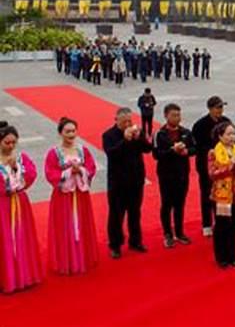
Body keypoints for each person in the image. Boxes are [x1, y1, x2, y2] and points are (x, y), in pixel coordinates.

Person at [45, 117, 98, 275]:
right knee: (64, 226)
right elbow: (50, 173)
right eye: (67, 131)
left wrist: (81, 170)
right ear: (60, 133)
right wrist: (68, 172)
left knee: (81, 224)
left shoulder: (83, 150)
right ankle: (65, 261)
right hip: (63, 196)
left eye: (73, 131)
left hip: (80, 195)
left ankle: (83, 257)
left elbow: (91, 167)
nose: (71, 134)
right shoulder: (54, 153)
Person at [102, 108, 151, 259]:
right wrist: (125, 140)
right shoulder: (108, 135)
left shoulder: (137, 131)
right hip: (117, 183)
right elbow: (112, 154)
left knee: (135, 213)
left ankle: (135, 241)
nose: (128, 124)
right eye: (124, 122)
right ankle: (115, 245)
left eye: (130, 121)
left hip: (136, 180)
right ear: (116, 120)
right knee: (116, 215)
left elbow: (147, 149)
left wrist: (140, 138)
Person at [0, 122, 43, 293]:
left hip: (20, 202)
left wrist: (16, 169)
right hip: (2, 204)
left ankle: (24, 275)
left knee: (21, 237)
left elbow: (31, 174)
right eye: (7, 143)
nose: (11, 146)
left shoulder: (20, 158)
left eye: (13, 142)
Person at [208, 122, 235, 268]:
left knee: (233, 226)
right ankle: (221, 257)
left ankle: (233, 256)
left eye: (233, 133)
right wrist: (228, 168)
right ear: (220, 136)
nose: (232, 137)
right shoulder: (213, 153)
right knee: (221, 226)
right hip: (221, 195)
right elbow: (212, 174)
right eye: (228, 134)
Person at [154, 103, 196, 248]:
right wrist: (172, 150)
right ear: (166, 116)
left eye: (178, 115)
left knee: (180, 204)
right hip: (166, 174)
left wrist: (187, 152)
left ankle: (179, 231)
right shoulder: (160, 134)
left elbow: (194, 148)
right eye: (173, 115)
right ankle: (167, 233)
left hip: (182, 173)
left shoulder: (186, 132)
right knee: (166, 204)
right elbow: (156, 154)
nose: (177, 118)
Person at [192, 96, 230, 237]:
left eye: (221, 107)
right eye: (217, 107)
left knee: (223, 194)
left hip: (224, 167)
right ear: (210, 108)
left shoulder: (225, 122)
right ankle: (207, 224)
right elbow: (198, 147)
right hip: (206, 166)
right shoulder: (200, 125)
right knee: (207, 195)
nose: (220, 110)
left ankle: (221, 221)